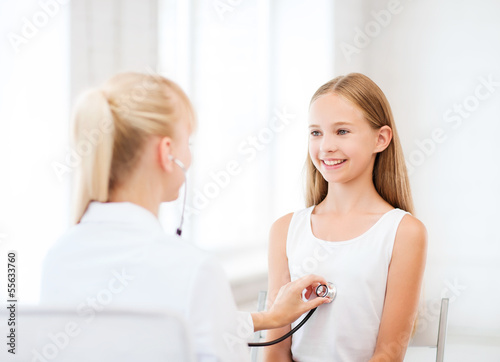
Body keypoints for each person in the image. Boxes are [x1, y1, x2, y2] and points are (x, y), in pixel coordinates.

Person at [40, 72, 331, 361]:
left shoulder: (58, 257)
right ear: (167, 152)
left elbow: (157, 326)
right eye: (187, 143)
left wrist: (269, 317)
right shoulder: (194, 269)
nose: (189, 158)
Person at [263, 73, 427, 362]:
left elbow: (388, 354)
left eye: (341, 132)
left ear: (380, 138)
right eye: (316, 132)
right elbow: (275, 350)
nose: (325, 146)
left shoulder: (404, 233)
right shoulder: (284, 230)